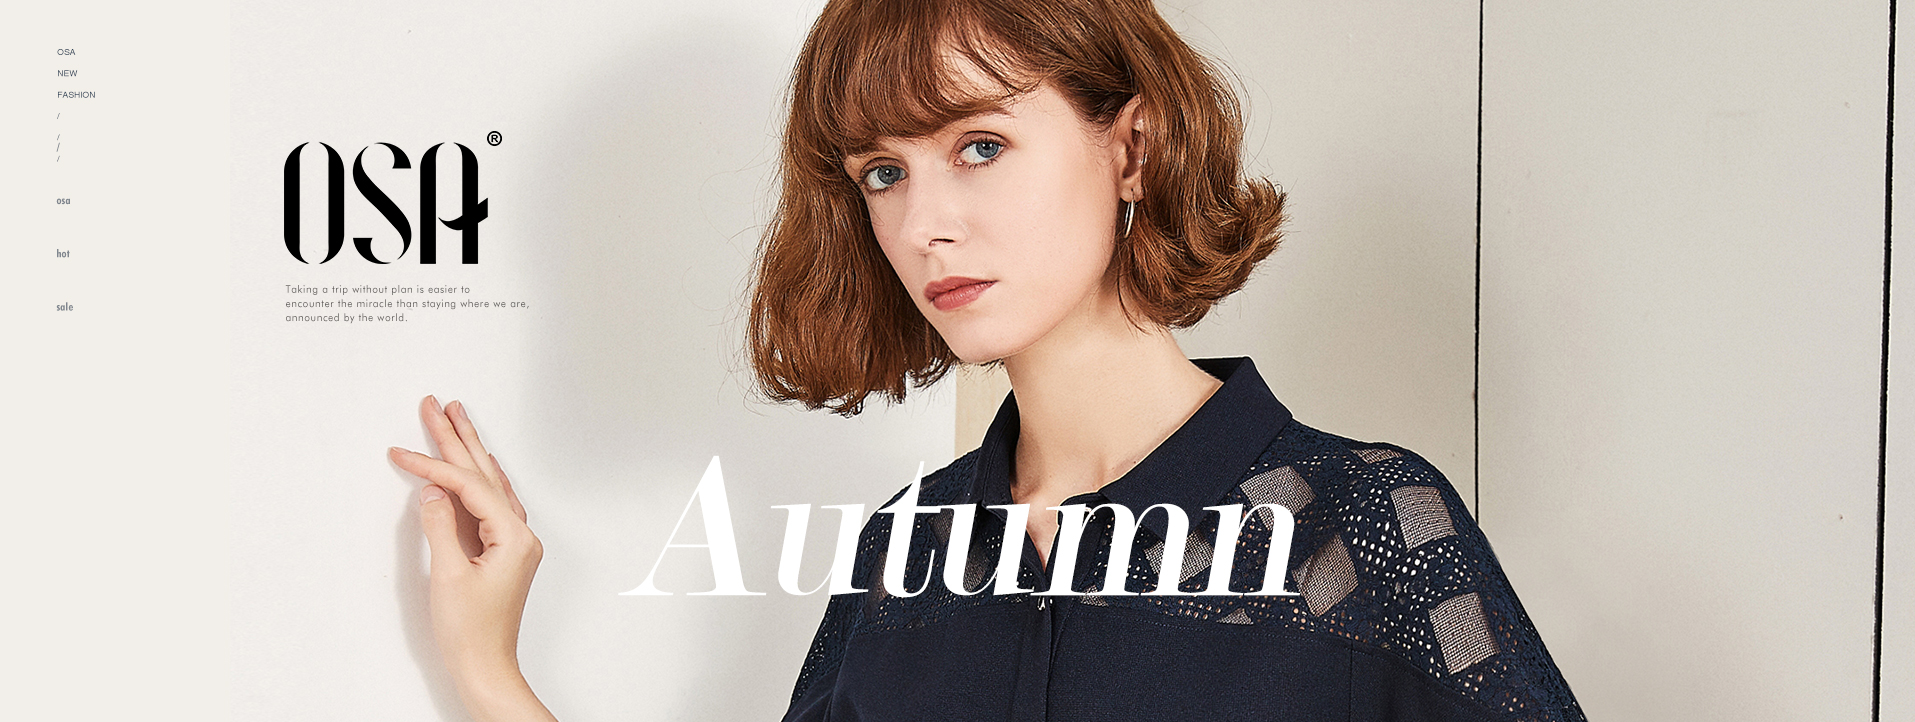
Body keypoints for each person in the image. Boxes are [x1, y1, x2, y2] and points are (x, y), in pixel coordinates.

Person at [388, 0, 1586, 720]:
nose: (923, 224)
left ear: (1131, 146)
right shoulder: (904, 557)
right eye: (883, 173)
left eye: (979, 145)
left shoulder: (1361, 525)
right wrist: (490, 669)